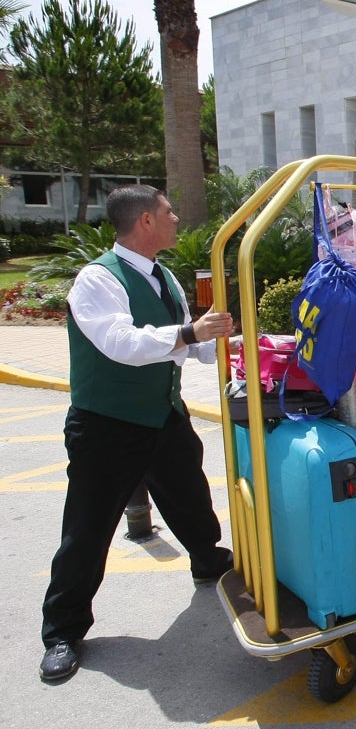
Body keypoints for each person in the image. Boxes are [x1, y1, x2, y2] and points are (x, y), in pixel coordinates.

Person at [39, 185, 236, 683]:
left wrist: (222, 341)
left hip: (162, 414)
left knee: (190, 495)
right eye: (170, 212)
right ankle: (62, 631)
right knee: (87, 529)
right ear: (146, 221)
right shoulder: (96, 279)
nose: (177, 219)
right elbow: (121, 343)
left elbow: (176, 346)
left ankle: (208, 561)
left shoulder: (163, 275)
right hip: (106, 425)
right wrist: (191, 333)